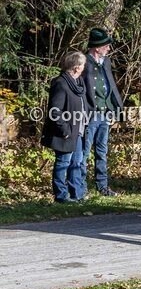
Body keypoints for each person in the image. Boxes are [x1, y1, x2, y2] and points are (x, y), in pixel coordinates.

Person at [82, 28, 123, 197]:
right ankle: (81, 188)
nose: (109, 48)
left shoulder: (106, 61)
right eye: (106, 45)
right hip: (90, 114)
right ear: (97, 47)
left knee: (102, 151)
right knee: (84, 153)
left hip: (105, 112)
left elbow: (111, 85)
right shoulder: (83, 62)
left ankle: (103, 186)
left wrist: (116, 109)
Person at [42, 52, 88, 203]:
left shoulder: (79, 83)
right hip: (65, 132)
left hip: (78, 131)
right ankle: (61, 196)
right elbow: (55, 111)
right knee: (63, 163)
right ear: (76, 67)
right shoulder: (61, 83)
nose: (84, 67)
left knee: (76, 163)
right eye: (83, 65)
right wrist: (65, 130)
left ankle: (77, 194)